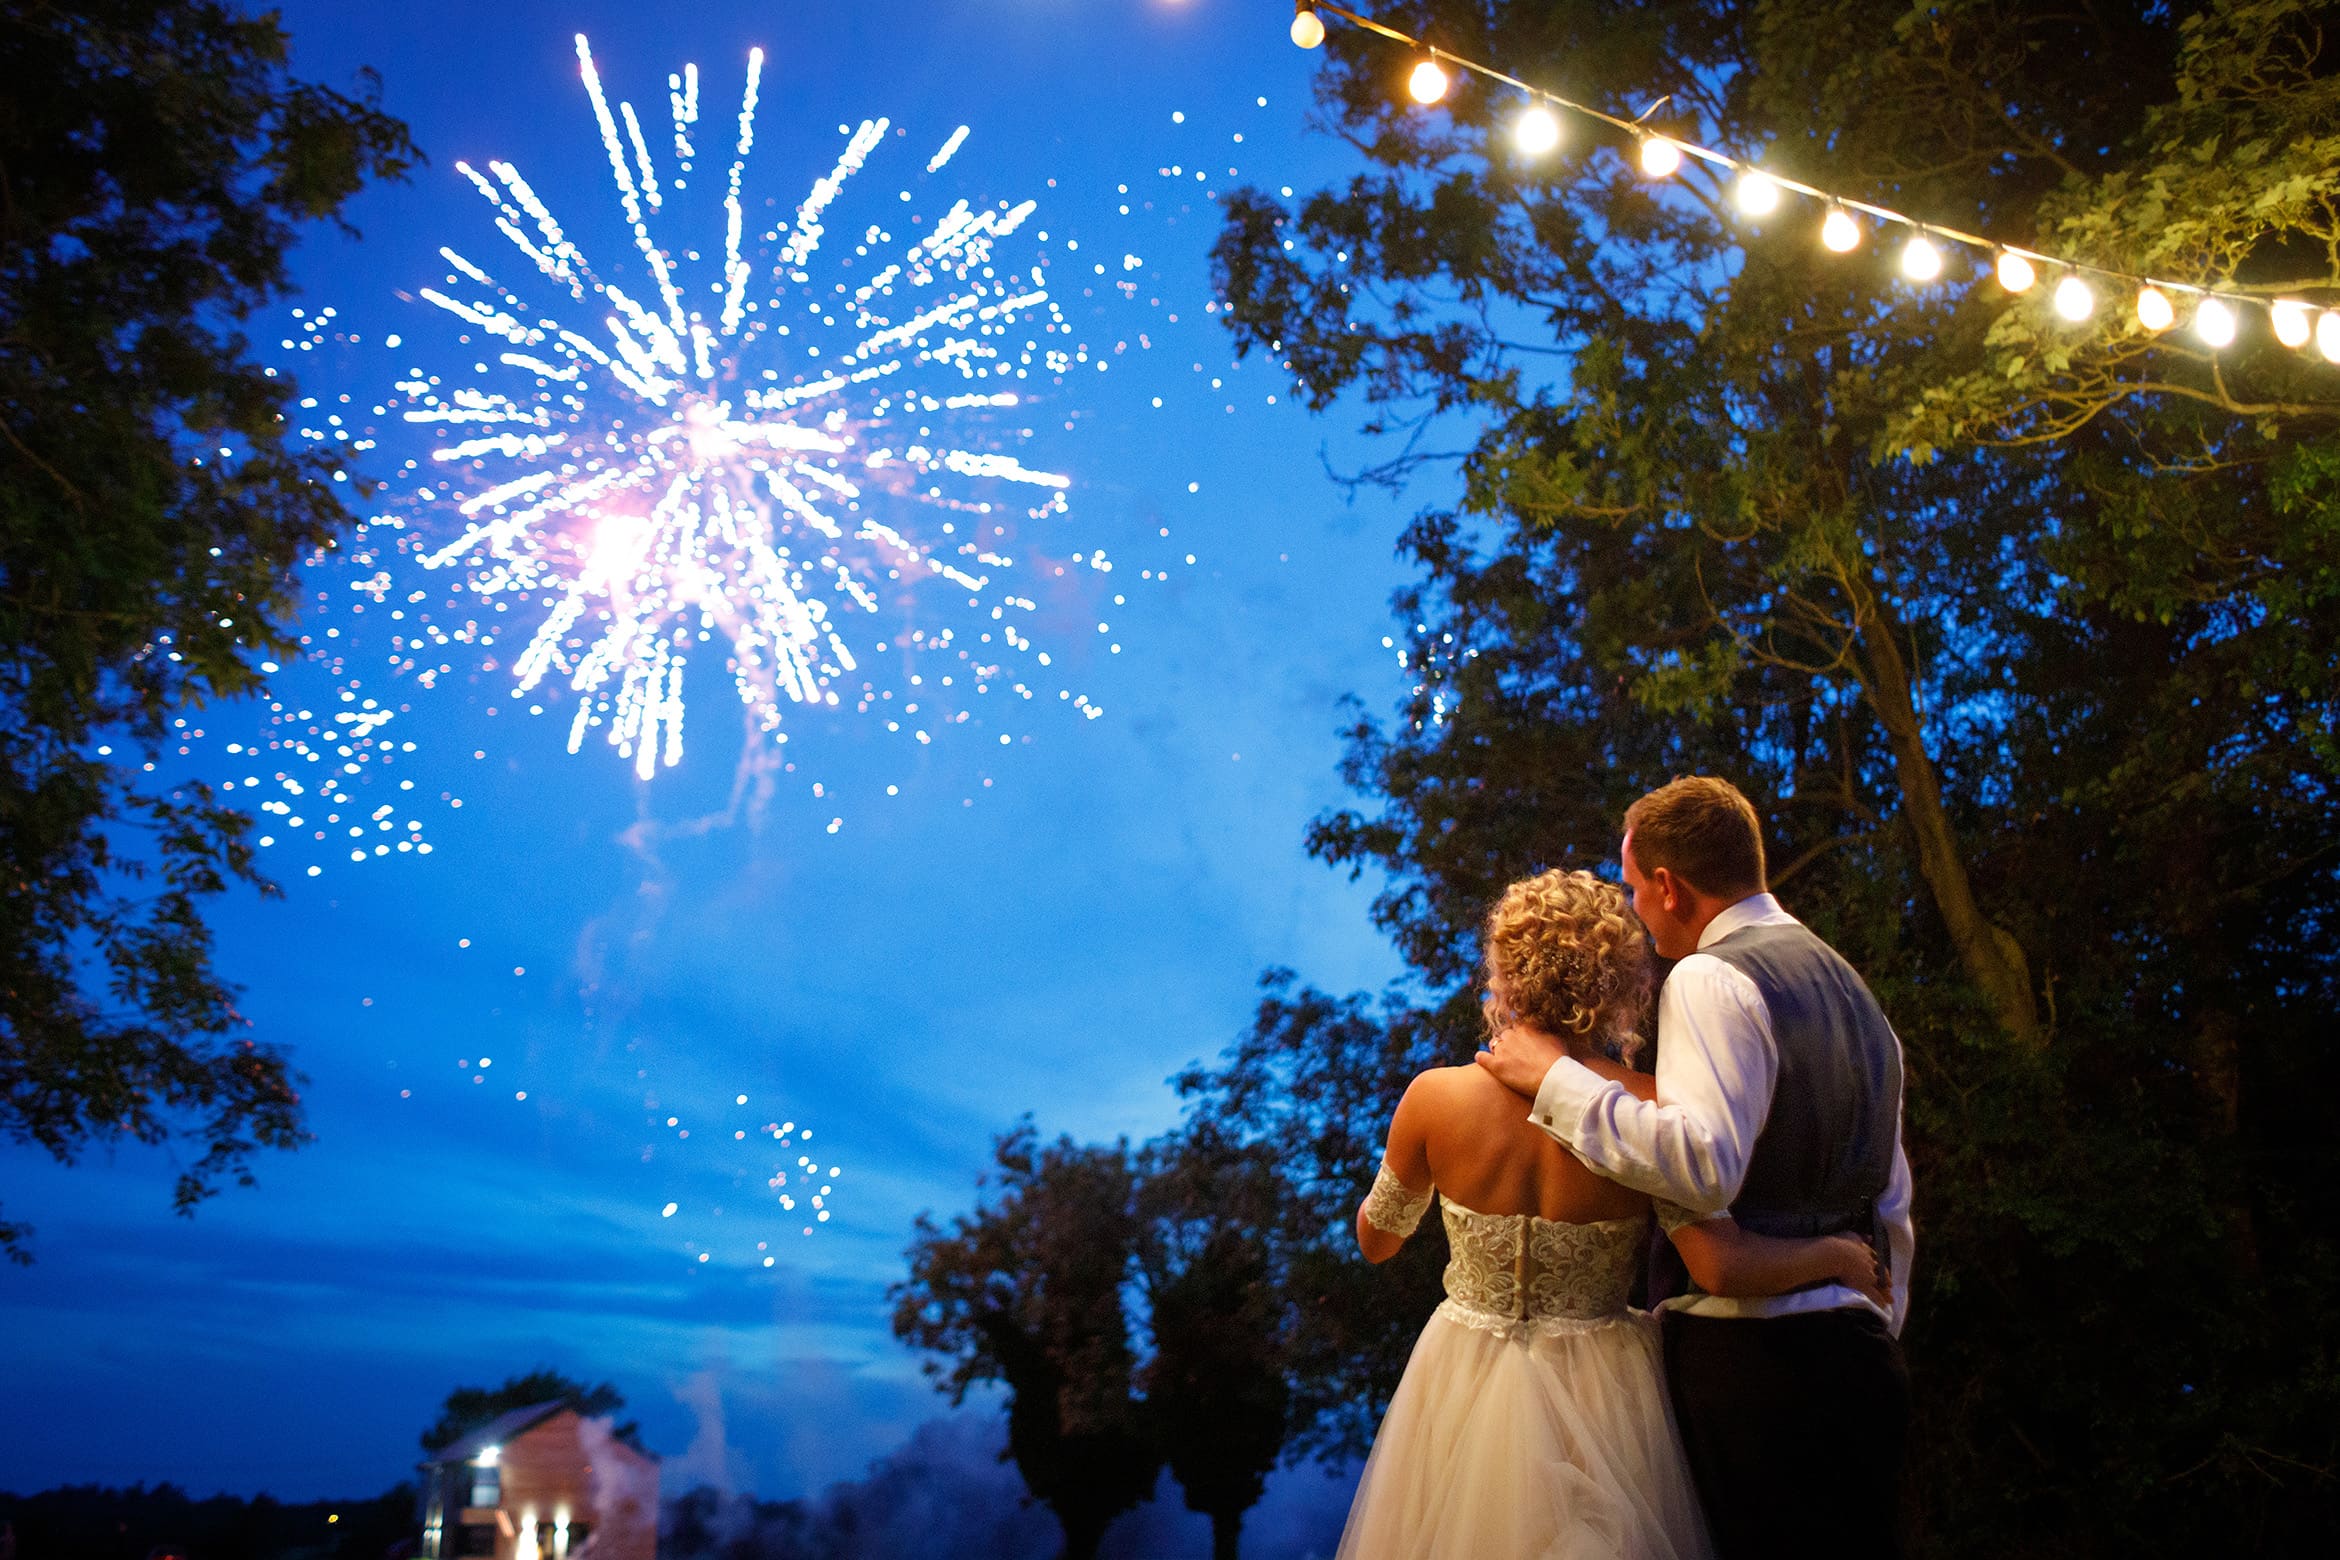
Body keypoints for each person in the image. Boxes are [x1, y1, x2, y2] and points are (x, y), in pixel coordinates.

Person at [1338, 868, 1889, 1560]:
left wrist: (1405, 1184)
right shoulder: (1650, 1108)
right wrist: (1838, 1254)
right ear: (1618, 984)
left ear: (1504, 975)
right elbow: (1721, 1266)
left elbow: (1378, 1242)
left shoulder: (1433, 1098)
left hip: (1459, 1374)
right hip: (1605, 1389)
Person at [1479, 777, 1916, 1558]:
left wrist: (1554, 1082)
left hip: (1757, 1374)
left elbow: (1703, 1165)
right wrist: (1880, 1319)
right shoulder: (1855, 993)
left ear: (1670, 888)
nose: (1635, 912)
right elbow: (1891, 1199)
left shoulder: (1713, 978)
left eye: (1632, 888)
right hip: (1862, 1363)